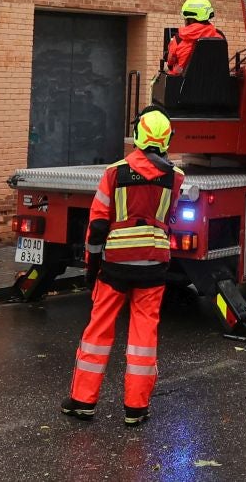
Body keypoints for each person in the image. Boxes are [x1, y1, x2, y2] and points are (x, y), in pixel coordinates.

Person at [63, 109, 185, 426]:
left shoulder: (114, 173)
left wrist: (92, 265)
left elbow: (98, 224)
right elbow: (168, 219)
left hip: (115, 266)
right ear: (167, 139)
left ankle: (82, 402)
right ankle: (136, 408)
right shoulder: (176, 177)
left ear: (139, 135)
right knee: (144, 336)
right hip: (154, 266)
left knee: (98, 332)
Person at [164, 0, 222, 77]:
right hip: (214, 87)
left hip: (182, 87)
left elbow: (170, 63)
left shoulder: (178, 39)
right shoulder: (219, 38)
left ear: (189, 19)